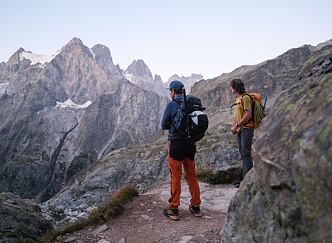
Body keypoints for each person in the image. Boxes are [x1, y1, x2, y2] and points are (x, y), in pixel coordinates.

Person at [161, 80, 202, 221]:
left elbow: (163, 125)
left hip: (176, 145)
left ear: (173, 91)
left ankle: (174, 208)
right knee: (191, 176)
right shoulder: (191, 104)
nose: (170, 93)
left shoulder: (172, 104)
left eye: (170, 91)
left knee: (175, 176)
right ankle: (196, 207)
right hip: (190, 144)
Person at [230, 79, 254, 187]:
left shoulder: (245, 98)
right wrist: (233, 127)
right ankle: (245, 178)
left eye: (231, 87)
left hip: (247, 128)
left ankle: (249, 180)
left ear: (235, 87)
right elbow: (236, 115)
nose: (231, 89)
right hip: (240, 129)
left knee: (245, 152)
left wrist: (237, 125)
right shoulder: (237, 99)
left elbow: (248, 114)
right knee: (242, 152)